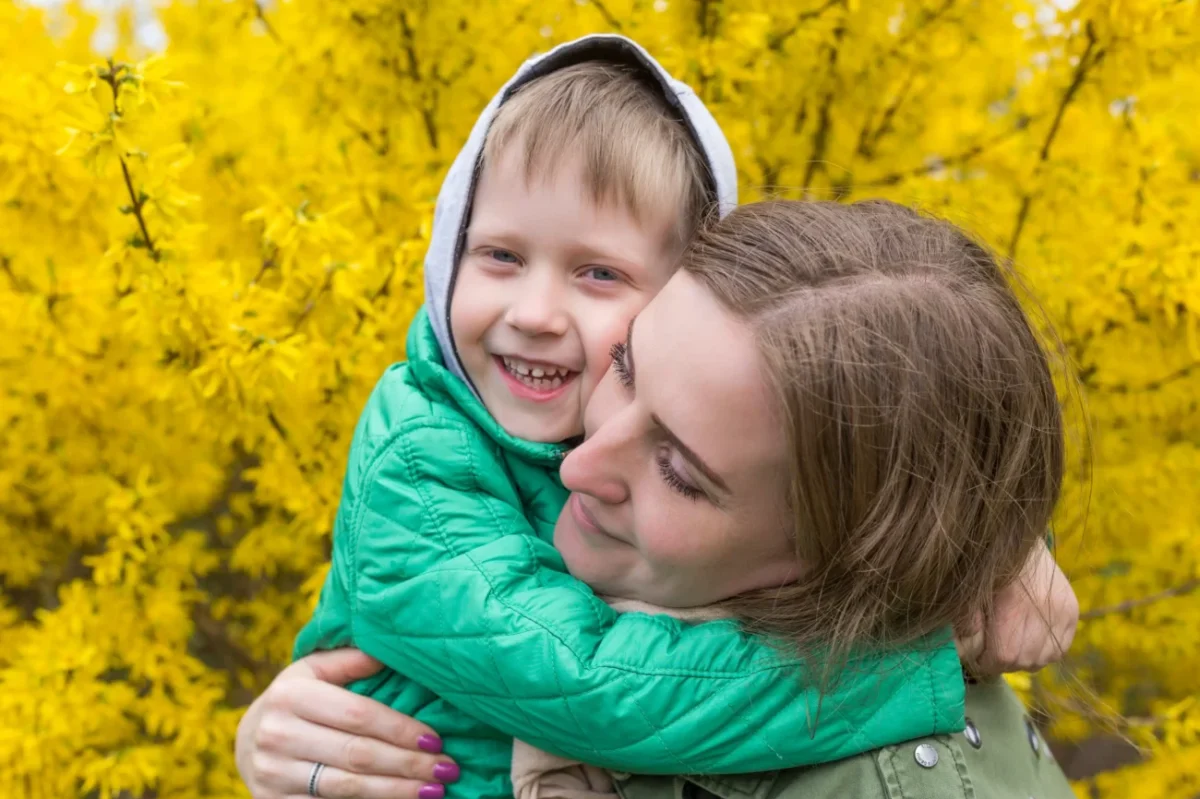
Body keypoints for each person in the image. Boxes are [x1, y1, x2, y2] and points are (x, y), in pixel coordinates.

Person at [241, 35, 1078, 799]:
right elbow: (587, 680)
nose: (533, 312)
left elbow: (855, 427)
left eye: (598, 274)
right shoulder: (418, 461)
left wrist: (999, 553)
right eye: (498, 254)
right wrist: (902, 670)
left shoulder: (608, 420)